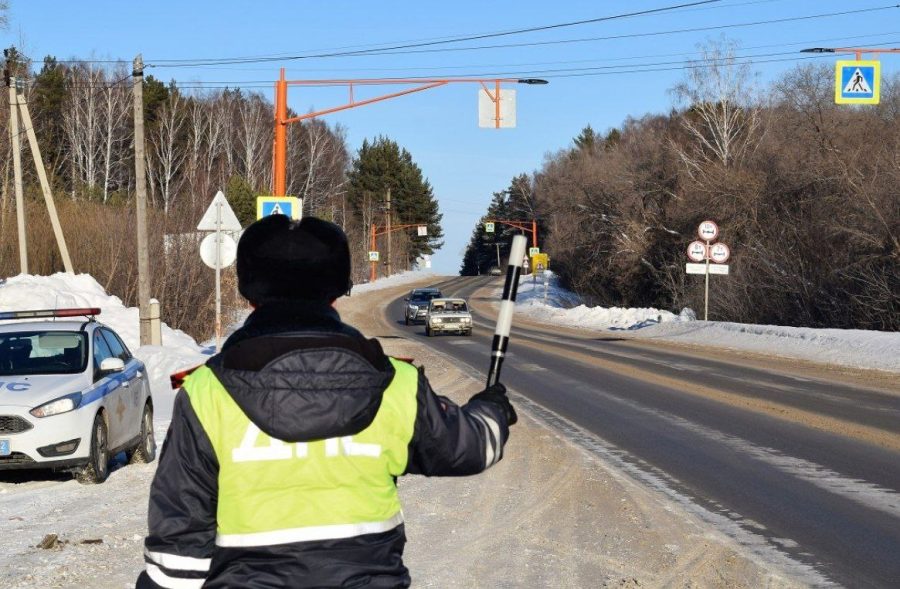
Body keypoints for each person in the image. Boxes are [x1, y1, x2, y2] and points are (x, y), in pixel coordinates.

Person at [136, 215, 517, 589]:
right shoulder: (395, 384)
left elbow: (178, 559)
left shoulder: (207, 393)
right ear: (337, 290)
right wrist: (492, 409)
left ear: (248, 293)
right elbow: (469, 448)